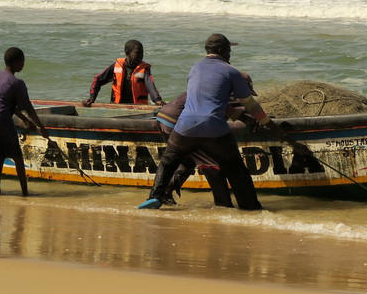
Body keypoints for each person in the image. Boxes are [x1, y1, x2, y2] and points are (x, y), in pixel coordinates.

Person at [138, 34, 282, 210]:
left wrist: (239, 116)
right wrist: (269, 124)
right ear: (222, 51)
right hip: (213, 128)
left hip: (184, 127)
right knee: (236, 170)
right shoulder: (231, 71)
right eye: (229, 50)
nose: (230, 54)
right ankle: (250, 207)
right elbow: (250, 104)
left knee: (168, 161)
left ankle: (155, 197)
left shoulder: (195, 69)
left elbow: (203, 100)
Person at [0, 47, 50, 196]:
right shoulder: (17, 82)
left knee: (0, 157)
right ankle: (25, 193)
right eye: (23, 61)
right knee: (18, 157)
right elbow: (29, 107)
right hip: (2, 121)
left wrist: (25, 120)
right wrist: (42, 128)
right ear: (16, 62)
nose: (24, 64)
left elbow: (8, 104)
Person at [82, 39, 164, 107]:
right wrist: (92, 98)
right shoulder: (116, 66)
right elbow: (98, 79)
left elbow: (150, 85)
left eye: (142, 52)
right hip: (117, 106)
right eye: (138, 53)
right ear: (127, 53)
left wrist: (157, 100)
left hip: (137, 107)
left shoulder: (144, 69)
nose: (141, 55)